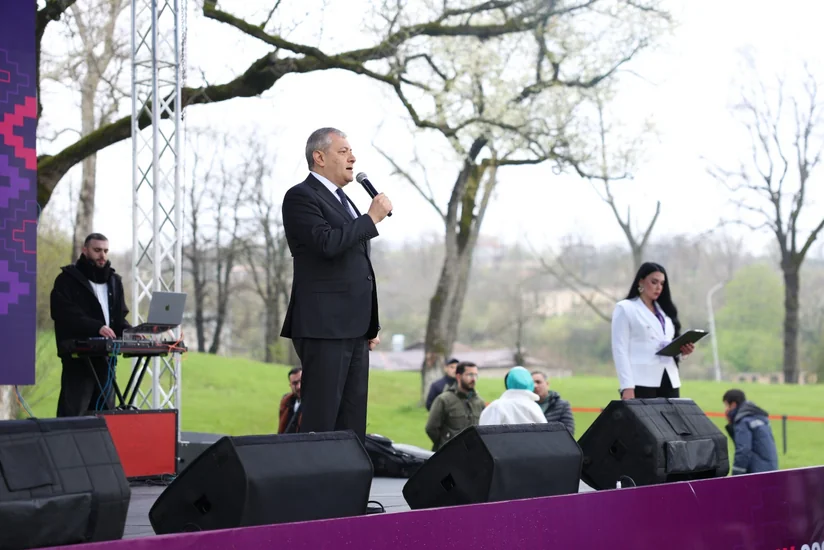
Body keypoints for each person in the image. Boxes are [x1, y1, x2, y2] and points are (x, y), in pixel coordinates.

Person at [280, 127, 393, 444]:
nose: (353, 157)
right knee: (323, 419)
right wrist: (370, 219)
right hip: (323, 327)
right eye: (343, 151)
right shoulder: (301, 197)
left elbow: (357, 269)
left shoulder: (346, 201)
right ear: (319, 157)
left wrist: (370, 323)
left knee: (352, 420)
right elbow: (326, 244)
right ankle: (314, 489)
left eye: (351, 151)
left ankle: (348, 490)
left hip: (355, 329)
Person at [50, 233, 131, 417]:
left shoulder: (114, 281)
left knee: (106, 416)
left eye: (105, 251)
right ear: (84, 250)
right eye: (97, 250)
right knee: (73, 414)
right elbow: (63, 313)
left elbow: (118, 319)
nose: (102, 255)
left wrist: (131, 333)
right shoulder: (67, 280)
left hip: (106, 358)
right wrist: (96, 327)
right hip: (78, 358)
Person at [611, 262, 694, 400]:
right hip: (641, 381)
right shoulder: (625, 308)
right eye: (654, 282)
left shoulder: (666, 312)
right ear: (641, 281)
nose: (658, 287)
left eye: (662, 283)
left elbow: (666, 343)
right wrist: (627, 386)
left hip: (669, 379)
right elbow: (619, 349)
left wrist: (683, 352)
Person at [425, 362, 485, 450]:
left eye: (476, 375)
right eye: (470, 375)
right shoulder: (444, 399)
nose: (473, 379)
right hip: (448, 456)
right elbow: (431, 428)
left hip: (472, 455)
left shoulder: (480, 402)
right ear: (458, 376)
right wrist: (445, 444)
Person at [722, 389, 779, 475]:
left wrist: (736, 475)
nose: (725, 409)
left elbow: (743, 450)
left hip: (757, 472)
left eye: (726, 405)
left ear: (733, 405)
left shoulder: (743, 421)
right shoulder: (759, 416)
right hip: (771, 469)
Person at [479, 366, 547, 426]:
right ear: (530, 384)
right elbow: (545, 434)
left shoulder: (496, 407)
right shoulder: (535, 408)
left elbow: (483, 434)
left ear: (507, 383)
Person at [531, 370, 575, 435]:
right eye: (532, 383)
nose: (535, 386)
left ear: (547, 384)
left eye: (538, 382)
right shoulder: (526, 405)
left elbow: (569, 431)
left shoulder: (562, 405)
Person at [278, 367, 302, 434]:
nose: (299, 386)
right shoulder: (286, 402)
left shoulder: (315, 403)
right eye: (295, 383)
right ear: (290, 386)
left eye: (301, 381)